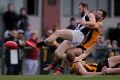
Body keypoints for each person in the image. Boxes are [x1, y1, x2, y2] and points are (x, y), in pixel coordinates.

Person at [45, 9, 107, 75]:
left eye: (99, 14)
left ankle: (69, 65)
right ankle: (59, 67)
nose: (96, 15)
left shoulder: (99, 24)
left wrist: (82, 22)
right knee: (65, 50)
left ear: (102, 17)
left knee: (69, 53)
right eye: (97, 13)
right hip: (81, 44)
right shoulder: (92, 20)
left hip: (85, 47)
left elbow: (93, 26)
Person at [37, 2, 96, 71]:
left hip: (79, 35)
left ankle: (40, 44)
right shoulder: (84, 17)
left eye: (80, 9)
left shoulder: (90, 14)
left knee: (57, 32)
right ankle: (75, 62)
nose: (79, 11)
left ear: (85, 8)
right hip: (77, 36)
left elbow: (93, 23)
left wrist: (84, 22)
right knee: (57, 53)